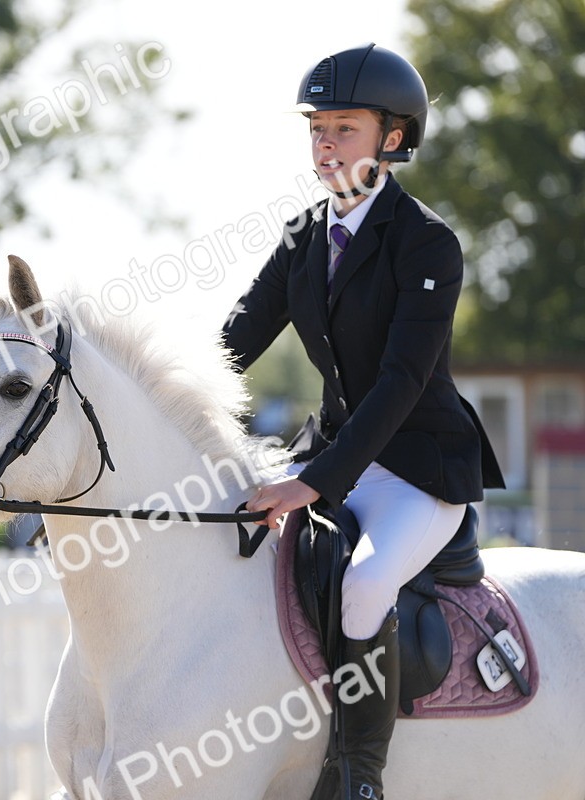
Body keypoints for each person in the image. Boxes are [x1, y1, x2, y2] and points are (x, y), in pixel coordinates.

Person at [222, 43, 505, 800]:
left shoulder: (428, 242)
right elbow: (234, 341)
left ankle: (358, 775)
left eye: (343, 129)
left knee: (368, 581)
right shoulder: (301, 238)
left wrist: (311, 484)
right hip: (335, 452)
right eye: (317, 129)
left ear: (391, 136)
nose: (323, 145)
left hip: (420, 469)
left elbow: (402, 382)